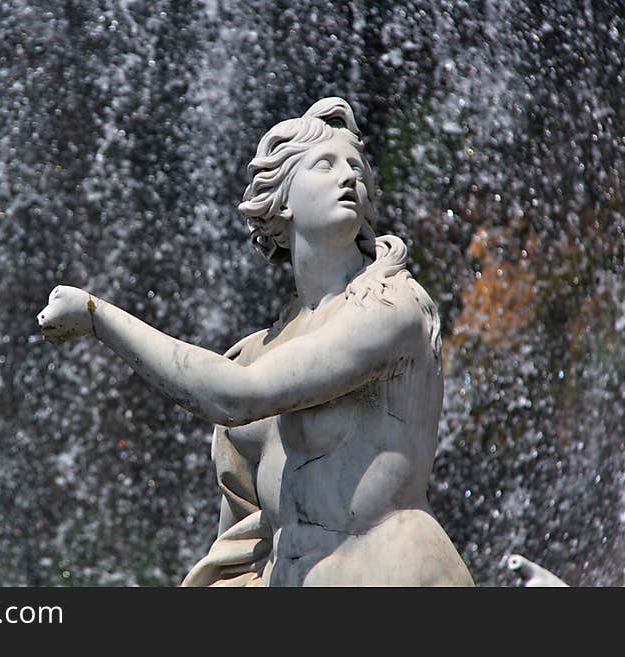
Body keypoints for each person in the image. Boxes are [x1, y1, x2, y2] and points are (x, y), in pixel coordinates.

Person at [39, 97, 473, 586]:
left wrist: (98, 318)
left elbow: (236, 396)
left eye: (355, 167)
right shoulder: (260, 351)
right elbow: (244, 539)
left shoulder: (390, 304)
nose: (348, 177)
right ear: (282, 199)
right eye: (324, 166)